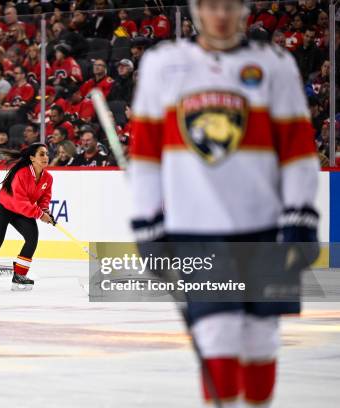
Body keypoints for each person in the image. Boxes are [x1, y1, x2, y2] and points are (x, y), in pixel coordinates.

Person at [129, 0, 319, 407]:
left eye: (229, 5)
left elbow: (299, 150)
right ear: (197, 10)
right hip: (195, 229)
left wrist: (301, 216)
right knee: (216, 331)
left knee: (260, 337)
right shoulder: (164, 65)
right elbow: (146, 158)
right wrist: (148, 225)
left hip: (266, 225)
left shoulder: (275, 64)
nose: (220, 15)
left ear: (244, 9)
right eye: (211, 5)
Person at [0, 143, 54, 292]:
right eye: (42, 154)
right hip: (4, 208)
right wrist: (39, 214)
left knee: (32, 238)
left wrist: (45, 210)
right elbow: (19, 202)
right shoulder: (21, 174)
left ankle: (19, 275)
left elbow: (44, 198)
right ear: (32, 158)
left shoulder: (48, 178)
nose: (46, 157)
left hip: (22, 211)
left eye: (46, 154)